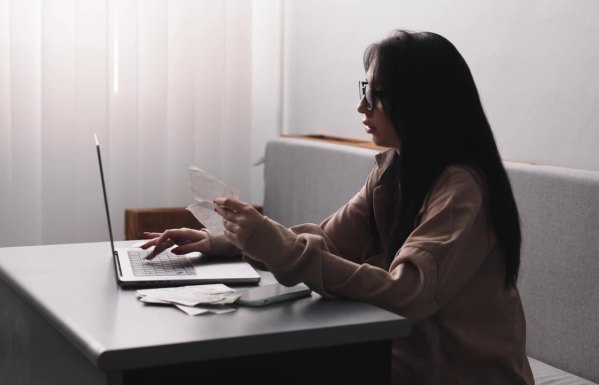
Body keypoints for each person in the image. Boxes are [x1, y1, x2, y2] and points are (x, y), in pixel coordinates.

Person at [143, 30, 534, 385]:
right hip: (399, 364)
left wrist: (267, 240)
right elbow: (326, 239)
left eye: (377, 94)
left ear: (420, 101)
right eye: (365, 88)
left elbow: (407, 294)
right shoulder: (393, 170)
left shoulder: (461, 189)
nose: (362, 106)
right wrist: (224, 241)